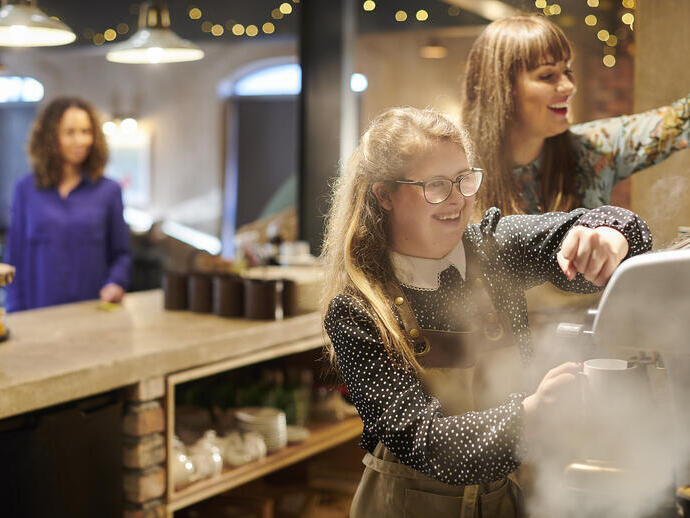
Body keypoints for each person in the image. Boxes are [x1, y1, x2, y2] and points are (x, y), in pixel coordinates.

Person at [321, 107, 652, 517]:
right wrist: (529, 418)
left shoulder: (493, 250)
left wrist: (604, 238)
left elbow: (621, 228)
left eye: (464, 180)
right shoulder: (358, 311)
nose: (458, 200)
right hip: (405, 505)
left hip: (508, 500)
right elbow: (424, 443)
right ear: (384, 195)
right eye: (437, 185)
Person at [460, 14, 690, 215]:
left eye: (567, 71)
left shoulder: (592, 148)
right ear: (500, 89)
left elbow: (680, 119)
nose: (569, 86)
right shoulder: (457, 171)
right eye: (547, 75)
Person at [4, 97, 131, 312]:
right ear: (51, 138)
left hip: (93, 312)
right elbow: (14, 258)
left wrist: (116, 282)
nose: (80, 140)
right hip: (37, 314)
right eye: (70, 132)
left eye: (86, 131)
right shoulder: (25, 189)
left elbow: (121, 254)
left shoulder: (109, 191)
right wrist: (15, 309)